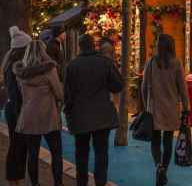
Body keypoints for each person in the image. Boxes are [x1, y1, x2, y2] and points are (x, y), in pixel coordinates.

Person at [64, 34, 123, 186]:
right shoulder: (105, 62)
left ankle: (81, 182)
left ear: (79, 46)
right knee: (101, 152)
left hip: (80, 115)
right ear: (94, 45)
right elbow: (118, 85)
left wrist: (68, 112)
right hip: (102, 114)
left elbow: (67, 94)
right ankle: (100, 182)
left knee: (81, 153)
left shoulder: (73, 65)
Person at [13, 40, 64, 186]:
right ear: (43, 52)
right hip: (48, 116)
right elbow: (59, 94)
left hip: (29, 116)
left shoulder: (21, 72)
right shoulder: (49, 69)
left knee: (33, 154)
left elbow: (22, 94)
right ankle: (58, 183)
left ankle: (35, 184)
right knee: (56, 153)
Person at [142, 34, 189, 186]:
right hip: (171, 108)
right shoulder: (176, 63)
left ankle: (158, 166)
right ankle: (165, 169)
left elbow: (143, 86)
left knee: (155, 141)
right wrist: (186, 108)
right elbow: (182, 88)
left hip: (154, 107)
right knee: (167, 140)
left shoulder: (150, 63)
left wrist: (145, 104)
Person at [2, 26, 31, 186]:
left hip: (14, 110)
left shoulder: (10, 63)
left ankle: (15, 178)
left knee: (18, 146)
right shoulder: (15, 67)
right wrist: (22, 113)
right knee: (17, 146)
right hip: (16, 111)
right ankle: (14, 179)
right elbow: (15, 94)